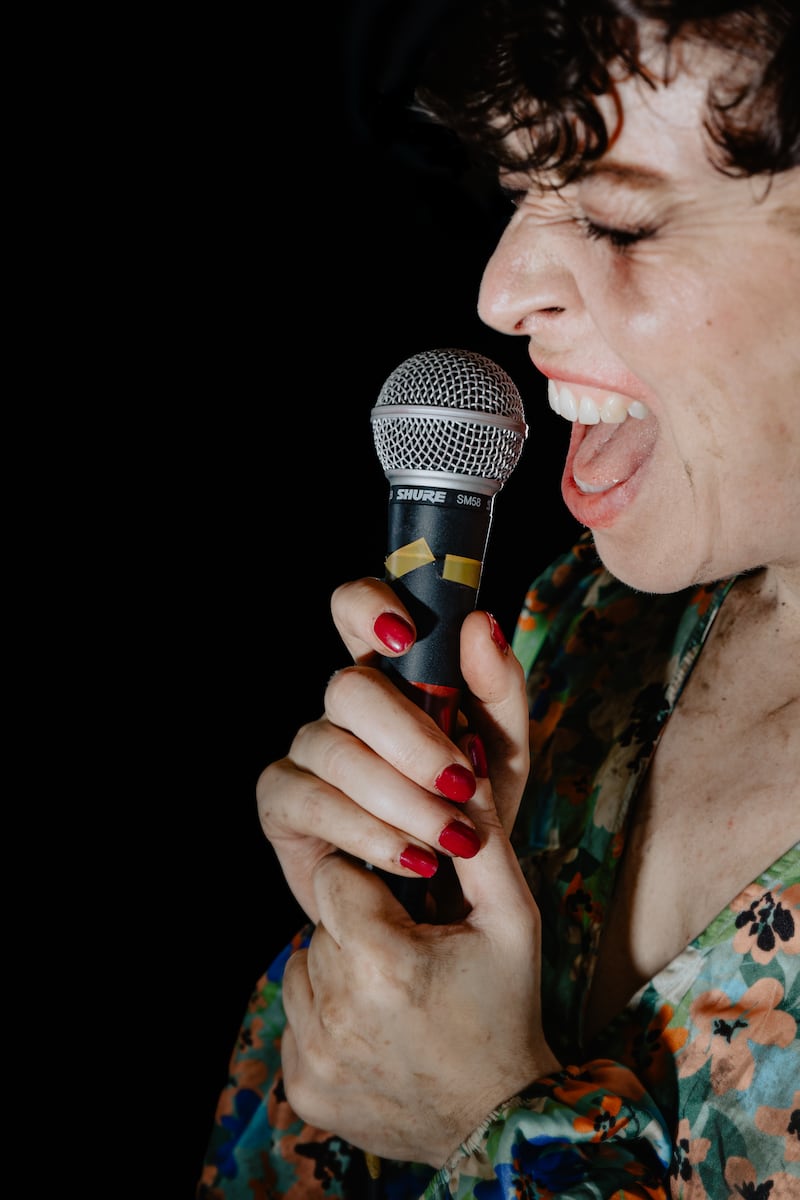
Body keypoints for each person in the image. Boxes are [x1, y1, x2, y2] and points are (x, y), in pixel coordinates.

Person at [197, 2, 800, 1196]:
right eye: (523, 192)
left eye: (617, 220)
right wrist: (378, 940)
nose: (499, 290)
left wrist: (495, 1124)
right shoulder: (589, 621)